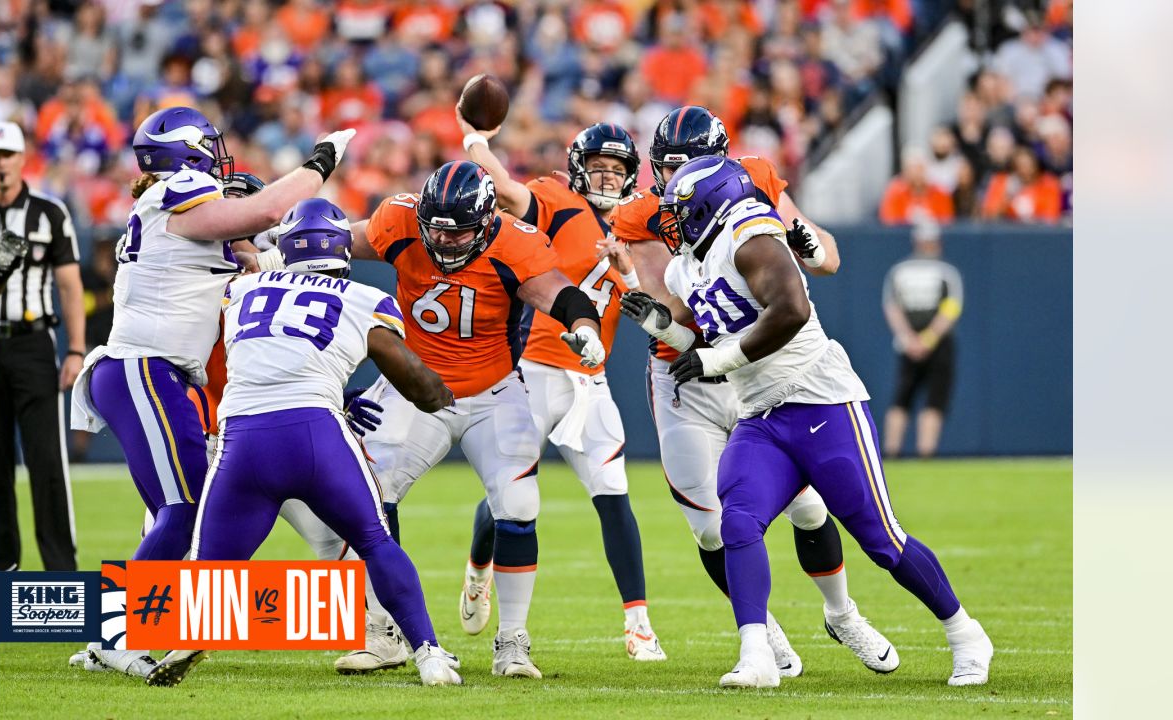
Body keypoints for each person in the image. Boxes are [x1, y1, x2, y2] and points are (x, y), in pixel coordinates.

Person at [627, 155, 992, 688]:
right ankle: (757, 655)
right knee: (738, 521)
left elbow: (791, 310)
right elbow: (705, 332)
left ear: (709, 205)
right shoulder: (686, 266)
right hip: (761, 414)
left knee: (881, 539)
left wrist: (718, 360)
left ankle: (965, 633)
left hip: (820, 401)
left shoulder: (748, 234)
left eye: (682, 212)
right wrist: (666, 327)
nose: (672, 224)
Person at [282, 160, 606, 680]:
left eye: (459, 232)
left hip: (494, 392)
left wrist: (584, 327)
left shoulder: (517, 242)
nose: (446, 241)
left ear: (488, 220)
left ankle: (513, 641)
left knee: (519, 503)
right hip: (414, 385)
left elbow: (560, 294)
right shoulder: (399, 219)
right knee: (366, 497)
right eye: (436, 228)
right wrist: (274, 239)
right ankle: (381, 632)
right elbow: (336, 242)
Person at [66, 105, 356, 679]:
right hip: (144, 367)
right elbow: (270, 208)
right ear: (187, 154)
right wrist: (321, 160)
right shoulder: (178, 191)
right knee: (184, 507)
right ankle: (116, 635)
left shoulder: (177, 217)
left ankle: (109, 631)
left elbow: (258, 253)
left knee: (173, 509)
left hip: (152, 372)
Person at [612, 106, 894, 677]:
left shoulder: (753, 180)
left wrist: (806, 247)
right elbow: (676, 313)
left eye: (690, 165)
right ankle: (762, 636)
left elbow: (826, 254)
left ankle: (843, 615)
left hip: (753, 374)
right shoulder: (643, 214)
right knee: (713, 523)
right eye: (669, 168)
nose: (679, 180)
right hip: (685, 372)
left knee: (810, 508)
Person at [154, 199, 461, 688]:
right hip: (313, 431)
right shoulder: (363, 297)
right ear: (341, 246)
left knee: (210, 562)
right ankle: (428, 652)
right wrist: (441, 396)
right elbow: (416, 383)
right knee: (373, 539)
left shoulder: (240, 289)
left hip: (240, 439)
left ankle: (184, 635)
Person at [456, 115, 666, 660]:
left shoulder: (641, 222)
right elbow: (504, 190)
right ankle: (479, 567)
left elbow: (650, 299)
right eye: (596, 167)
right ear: (577, 170)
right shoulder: (554, 199)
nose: (606, 178)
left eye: (616, 169)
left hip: (590, 381)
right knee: (512, 493)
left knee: (614, 494)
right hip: (532, 370)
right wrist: (476, 140)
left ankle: (638, 623)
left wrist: (634, 278)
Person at [0, 121, 84, 572]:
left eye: (6, 155)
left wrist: (76, 350)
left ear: (21, 158)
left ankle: (61, 572)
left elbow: (69, 284)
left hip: (32, 342)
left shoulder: (49, 213)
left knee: (46, 460)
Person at [882, 221, 964, 458]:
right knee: (932, 399)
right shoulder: (946, 271)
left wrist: (908, 338)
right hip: (936, 344)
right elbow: (951, 307)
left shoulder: (900, 270)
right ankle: (925, 454)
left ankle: (893, 453)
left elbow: (892, 307)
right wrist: (927, 339)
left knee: (903, 398)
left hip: (909, 344)